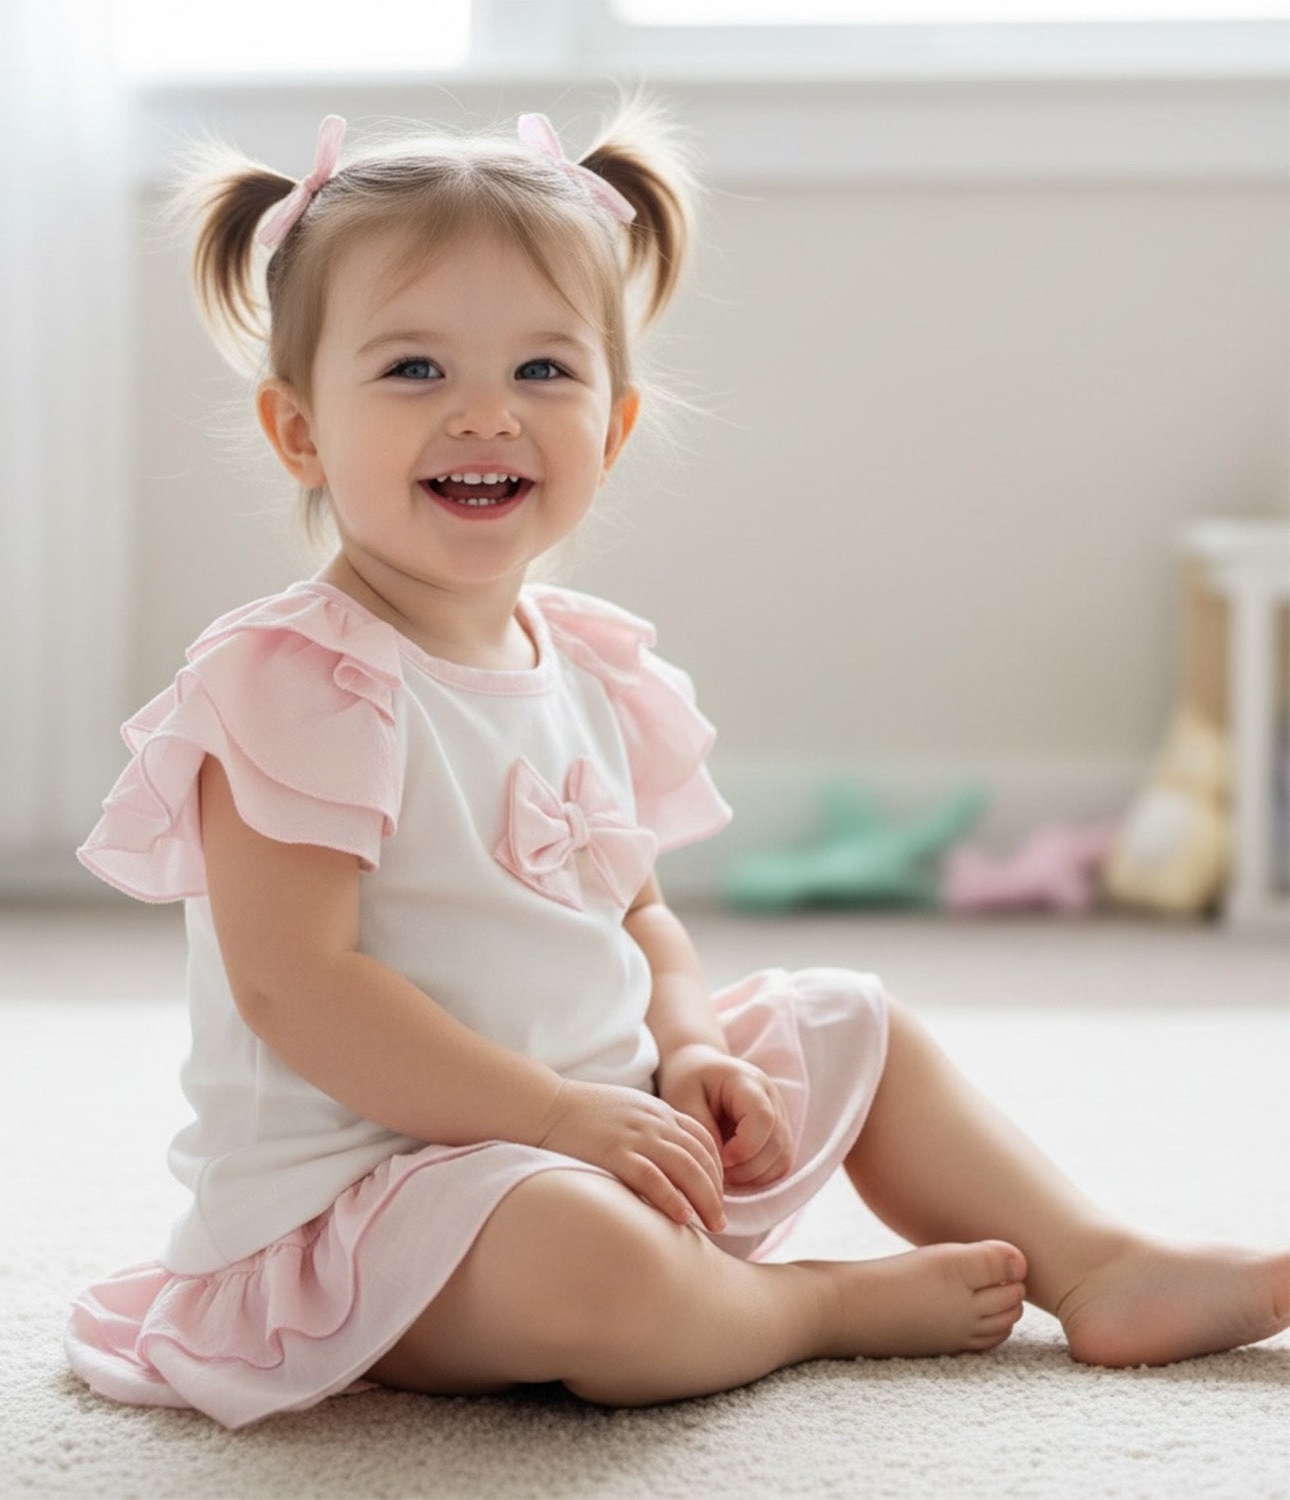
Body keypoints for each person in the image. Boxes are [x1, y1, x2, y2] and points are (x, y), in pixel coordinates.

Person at [64, 104, 1289, 1431]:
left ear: (618, 424)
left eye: (544, 371)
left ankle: (1098, 1262)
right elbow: (297, 987)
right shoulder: (297, 679)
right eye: (415, 369)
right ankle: (807, 1307)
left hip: (605, 1136)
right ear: (298, 431)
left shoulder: (586, 665)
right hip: (381, 1213)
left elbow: (637, 913)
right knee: (590, 1268)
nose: (487, 410)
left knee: (848, 1017)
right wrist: (555, 1118)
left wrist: (693, 1050)